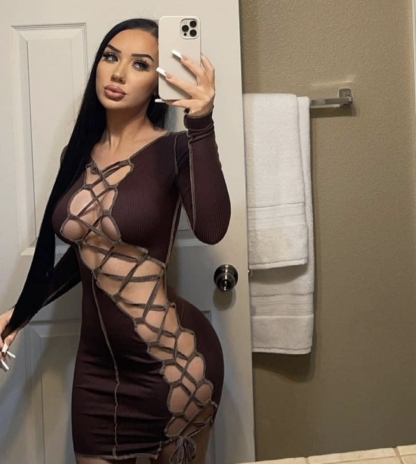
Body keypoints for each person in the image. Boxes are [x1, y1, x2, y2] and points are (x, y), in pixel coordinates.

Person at [0, 17, 230, 464]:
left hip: (176, 364)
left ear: (157, 81)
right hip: (97, 372)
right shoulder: (76, 155)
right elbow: (87, 255)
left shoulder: (175, 149)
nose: (119, 73)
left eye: (140, 64)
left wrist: (201, 123)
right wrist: (20, 312)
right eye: (110, 57)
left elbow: (212, 228)